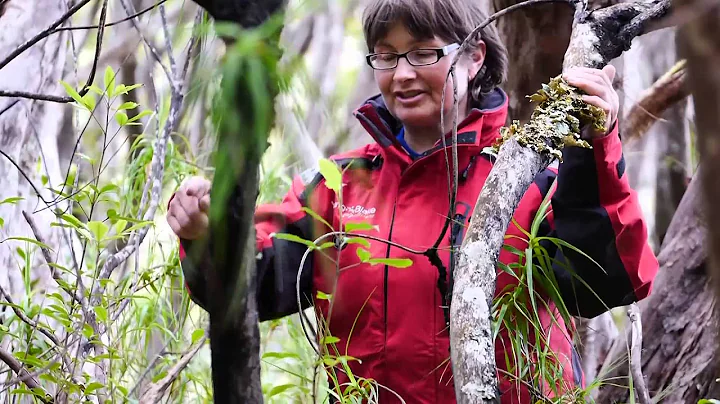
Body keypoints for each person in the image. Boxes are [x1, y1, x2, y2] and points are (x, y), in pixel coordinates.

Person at [167, 0, 659, 402]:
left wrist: (597, 146)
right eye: (386, 55)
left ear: (474, 57)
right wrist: (206, 232)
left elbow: (605, 281)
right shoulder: (339, 187)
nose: (402, 74)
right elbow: (257, 284)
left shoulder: (523, 174)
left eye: (424, 53)